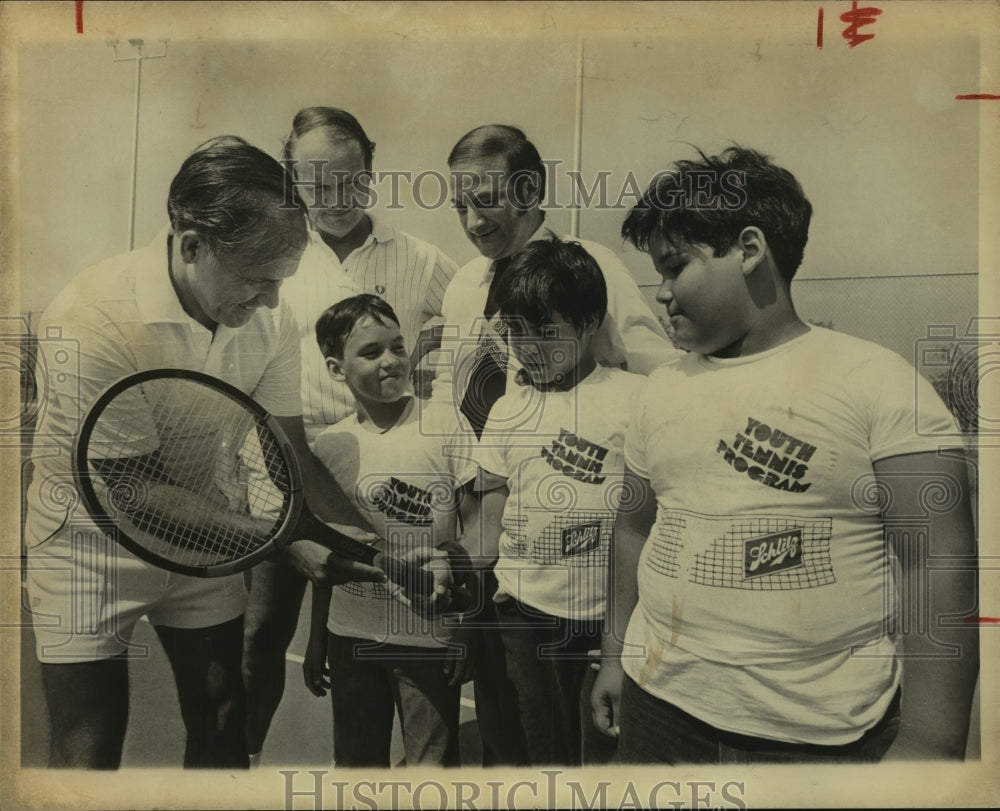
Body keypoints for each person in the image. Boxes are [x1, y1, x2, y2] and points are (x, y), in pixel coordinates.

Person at [590, 145, 980, 763]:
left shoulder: (877, 383)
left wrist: (931, 743)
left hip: (816, 738)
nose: (659, 294)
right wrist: (616, 654)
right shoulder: (660, 388)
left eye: (674, 267)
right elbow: (634, 527)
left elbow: (935, 569)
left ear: (749, 250)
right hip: (657, 706)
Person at [23, 136, 386, 769]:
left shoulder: (270, 318)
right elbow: (135, 493)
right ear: (193, 246)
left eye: (281, 281)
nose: (272, 301)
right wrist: (288, 540)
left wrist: (372, 543)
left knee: (224, 714)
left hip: (209, 536)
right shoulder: (88, 318)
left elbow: (290, 454)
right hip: (85, 548)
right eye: (255, 279)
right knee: (89, 748)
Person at [433, 123, 680, 766]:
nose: (471, 217)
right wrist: (458, 515)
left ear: (530, 190)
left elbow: (660, 375)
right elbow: (454, 398)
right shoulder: (464, 285)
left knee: (584, 738)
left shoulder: (589, 267)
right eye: (459, 202)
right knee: (505, 721)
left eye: (484, 198)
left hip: (578, 564)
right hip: (488, 530)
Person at [242, 107, 462, 761]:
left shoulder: (422, 259)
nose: (336, 200)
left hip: (389, 476)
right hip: (292, 468)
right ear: (292, 182)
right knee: (260, 634)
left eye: (351, 181)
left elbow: (471, 335)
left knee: (401, 621)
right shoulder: (276, 259)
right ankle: (235, 771)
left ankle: (427, 760)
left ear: (370, 168)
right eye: (316, 186)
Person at [470, 234, 641, 766]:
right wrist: (452, 564)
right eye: (517, 332)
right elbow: (486, 527)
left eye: (548, 332)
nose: (530, 348)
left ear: (590, 321)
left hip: (604, 622)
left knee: (607, 749)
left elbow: (646, 521)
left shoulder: (634, 399)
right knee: (543, 746)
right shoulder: (503, 411)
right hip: (522, 614)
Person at [303, 294, 478, 767]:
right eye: (371, 352)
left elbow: (478, 526)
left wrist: (466, 624)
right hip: (351, 637)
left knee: (432, 771)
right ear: (336, 369)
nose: (391, 361)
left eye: (397, 347)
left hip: (427, 638)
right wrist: (319, 634)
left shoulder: (443, 422)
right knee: (358, 768)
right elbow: (327, 550)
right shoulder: (330, 445)